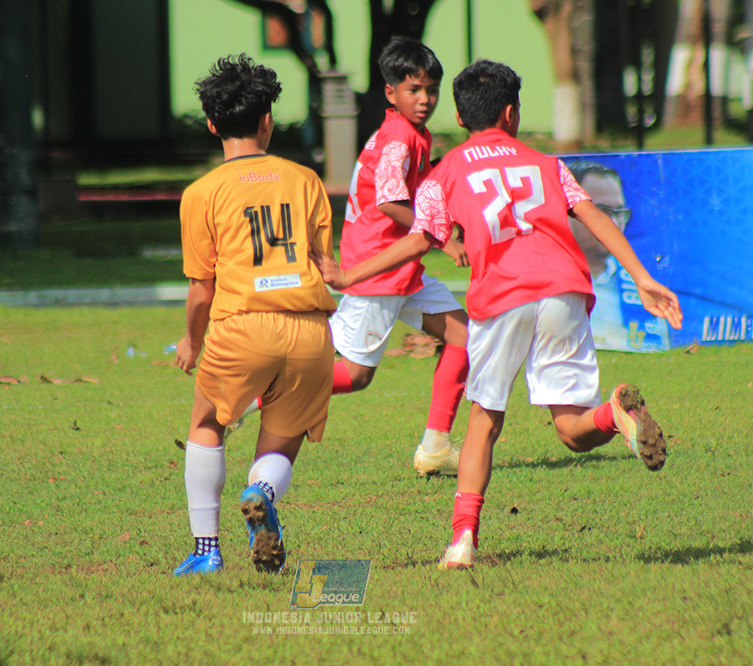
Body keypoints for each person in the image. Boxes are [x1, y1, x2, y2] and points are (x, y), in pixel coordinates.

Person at [311, 60, 683, 570]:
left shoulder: (447, 171)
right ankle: (613, 415)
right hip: (564, 292)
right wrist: (642, 277)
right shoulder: (546, 163)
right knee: (575, 431)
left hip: (503, 297)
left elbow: (422, 238)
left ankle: (462, 541)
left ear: (461, 118)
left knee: (485, 422)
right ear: (511, 113)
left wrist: (350, 277)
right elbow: (592, 214)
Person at [173, 54, 337, 576]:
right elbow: (323, 261)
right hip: (309, 330)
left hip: (240, 326)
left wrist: (190, 342)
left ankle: (206, 551)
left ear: (212, 123)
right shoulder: (306, 179)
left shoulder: (201, 193)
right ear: (268, 120)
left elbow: (202, 289)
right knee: (281, 442)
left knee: (205, 423)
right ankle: (261, 490)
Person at [330, 35, 470, 477]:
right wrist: (444, 237)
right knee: (354, 376)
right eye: (414, 90)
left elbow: (424, 191)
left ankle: (436, 446)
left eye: (431, 90)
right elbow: (391, 201)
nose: (425, 99)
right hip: (379, 268)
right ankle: (260, 394)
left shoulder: (413, 135)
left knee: (465, 337)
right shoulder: (398, 140)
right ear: (391, 93)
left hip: (402, 264)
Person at [567, 161, 670, 352]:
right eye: (602, 212)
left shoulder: (639, 284)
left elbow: (657, 350)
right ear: (567, 213)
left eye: (619, 212)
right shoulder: (543, 281)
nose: (613, 223)